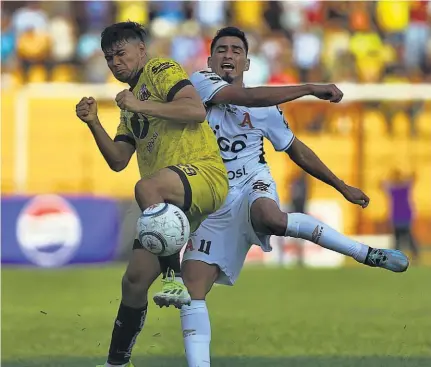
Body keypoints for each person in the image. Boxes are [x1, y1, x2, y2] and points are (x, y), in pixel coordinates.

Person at [175, 27, 410, 367]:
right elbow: (247, 98)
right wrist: (310, 88)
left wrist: (341, 186)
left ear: (247, 62)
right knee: (192, 289)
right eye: (222, 50)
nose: (228, 55)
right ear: (210, 60)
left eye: (236, 50)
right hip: (211, 199)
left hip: (251, 183)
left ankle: (365, 253)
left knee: (270, 217)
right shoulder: (200, 83)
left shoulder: (267, 109)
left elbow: (295, 149)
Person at [75, 22, 229, 367]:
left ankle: (173, 276)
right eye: (108, 57)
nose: (114, 62)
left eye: (121, 54)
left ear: (141, 51)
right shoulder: (129, 103)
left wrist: (141, 106)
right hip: (168, 203)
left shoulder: (161, 69)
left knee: (145, 186)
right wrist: (94, 123)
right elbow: (118, 160)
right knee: (132, 282)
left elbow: (195, 110)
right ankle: (117, 362)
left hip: (204, 173)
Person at [382, 169, 419, 262]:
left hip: (403, 214)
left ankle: (409, 255)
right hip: (398, 215)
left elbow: (382, 183)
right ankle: (400, 256)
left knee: (404, 237)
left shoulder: (397, 188)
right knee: (400, 237)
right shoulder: (400, 187)